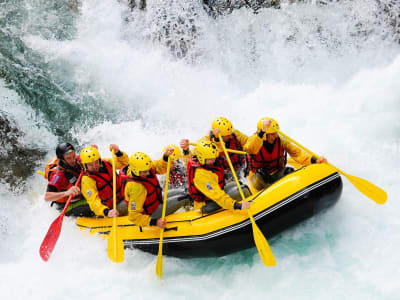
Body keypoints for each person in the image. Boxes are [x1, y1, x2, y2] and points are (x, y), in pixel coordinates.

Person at [244, 117, 327, 190]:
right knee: (261, 176)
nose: (275, 136)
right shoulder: (254, 141)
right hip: (258, 179)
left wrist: (314, 160)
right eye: (272, 134)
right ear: (265, 135)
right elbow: (249, 148)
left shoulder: (280, 140)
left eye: (276, 133)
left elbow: (297, 152)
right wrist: (262, 132)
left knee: (289, 171)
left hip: (277, 171)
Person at [122, 149, 190, 229]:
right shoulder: (135, 188)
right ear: (136, 171)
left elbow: (159, 167)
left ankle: (188, 210)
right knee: (186, 198)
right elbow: (133, 216)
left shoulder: (144, 168)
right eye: (145, 172)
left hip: (156, 200)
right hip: (151, 213)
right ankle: (191, 217)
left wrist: (165, 157)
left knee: (185, 191)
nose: (148, 173)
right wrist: (155, 222)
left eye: (148, 170)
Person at [187, 140, 250, 214]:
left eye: (214, 158)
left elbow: (220, 147)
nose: (214, 160)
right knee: (242, 191)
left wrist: (216, 138)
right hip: (207, 204)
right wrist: (238, 206)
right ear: (201, 158)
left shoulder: (206, 160)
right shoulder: (201, 176)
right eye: (211, 159)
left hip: (216, 192)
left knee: (238, 184)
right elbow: (218, 196)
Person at [44, 142, 93, 217]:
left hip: (80, 197)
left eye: (73, 156)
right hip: (66, 205)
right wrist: (67, 192)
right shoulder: (58, 175)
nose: (73, 160)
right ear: (62, 159)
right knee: (94, 205)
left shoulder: (76, 160)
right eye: (69, 158)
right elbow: (47, 197)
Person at [80, 145, 129, 218]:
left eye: (96, 162)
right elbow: (93, 201)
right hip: (110, 209)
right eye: (90, 165)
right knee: (132, 204)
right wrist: (107, 212)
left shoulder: (107, 162)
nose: (95, 166)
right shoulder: (87, 180)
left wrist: (118, 153)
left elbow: (124, 164)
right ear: (85, 166)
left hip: (123, 196)